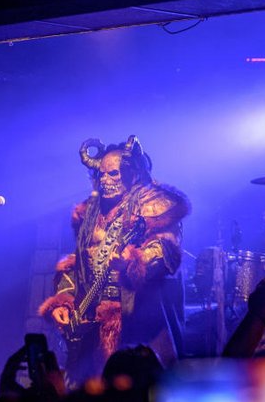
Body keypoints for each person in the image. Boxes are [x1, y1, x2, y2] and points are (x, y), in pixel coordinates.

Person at [39, 135, 190, 386]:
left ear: (132, 174)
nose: (105, 180)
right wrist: (63, 302)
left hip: (138, 326)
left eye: (113, 174)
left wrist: (134, 262)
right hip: (90, 330)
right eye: (102, 175)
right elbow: (77, 265)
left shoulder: (153, 206)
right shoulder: (90, 214)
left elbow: (166, 250)